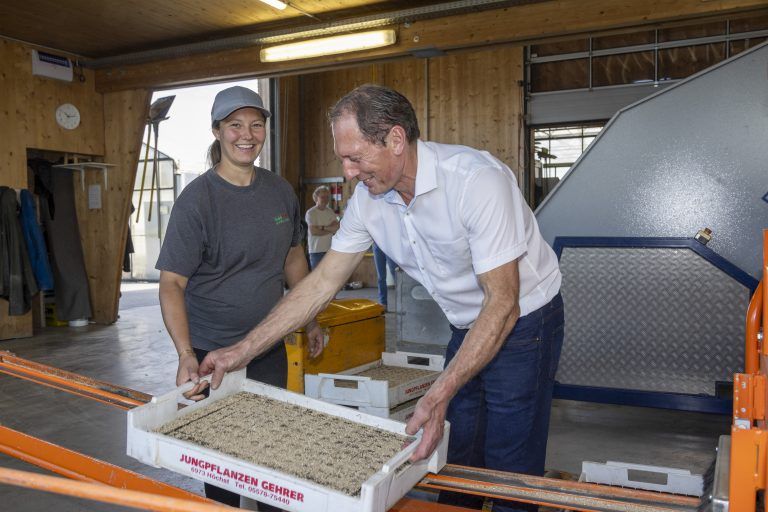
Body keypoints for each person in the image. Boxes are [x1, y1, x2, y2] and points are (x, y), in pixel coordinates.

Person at [197, 84, 564, 512]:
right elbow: (318, 286)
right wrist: (238, 352)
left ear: (394, 140)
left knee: (509, 458)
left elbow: (503, 304)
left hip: (525, 321)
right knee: (455, 442)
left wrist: (438, 391)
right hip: (466, 322)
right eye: (343, 159)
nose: (349, 172)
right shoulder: (369, 201)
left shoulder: (476, 181)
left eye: (355, 158)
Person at [155, 85, 323, 510]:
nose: (246, 134)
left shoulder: (280, 191)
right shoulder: (197, 201)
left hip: (268, 344)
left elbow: (293, 258)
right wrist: (184, 353)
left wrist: (310, 319)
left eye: (255, 124)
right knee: (223, 460)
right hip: (214, 350)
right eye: (234, 125)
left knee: (270, 450)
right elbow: (172, 283)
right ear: (217, 132)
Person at [305, 185, 339, 269]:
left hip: (329, 250)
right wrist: (330, 229)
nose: (325, 199)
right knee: (317, 278)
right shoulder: (311, 213)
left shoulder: (330, 212)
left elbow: (337, 228)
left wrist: (322, 227)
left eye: (327, 197)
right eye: (322, 197)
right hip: (316, 251)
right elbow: (314, 232)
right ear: (316, 197)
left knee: (330, 276)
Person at [372, 242, 397, 309]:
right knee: (381, 277)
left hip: (389, 246)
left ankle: (402, 302)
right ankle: (383, 304)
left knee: (396, 275)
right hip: (377, 245)